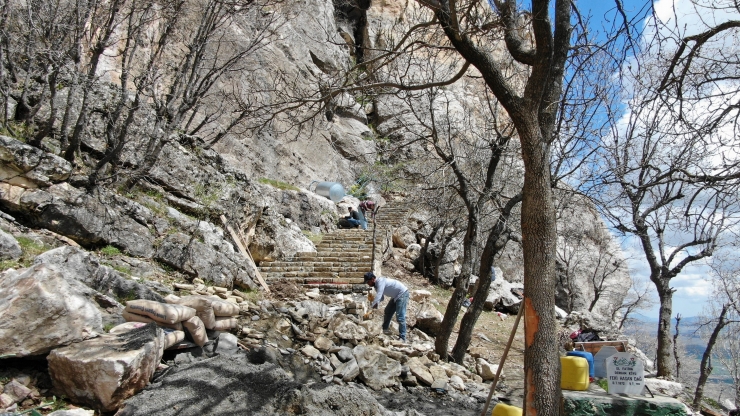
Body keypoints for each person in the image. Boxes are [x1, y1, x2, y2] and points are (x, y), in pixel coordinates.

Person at [364, 271, 409, 341]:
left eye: (368, 282)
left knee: (400, 316)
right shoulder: (376, 286)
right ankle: (385, 329)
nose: (368, 284)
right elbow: (381, 298)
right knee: (388, 311)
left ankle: (402, 337)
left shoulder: (380, 282)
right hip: (395, 296)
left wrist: (372, 307)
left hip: (402, 294)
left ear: (373, 279)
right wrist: (374, 302)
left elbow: (379, 295)